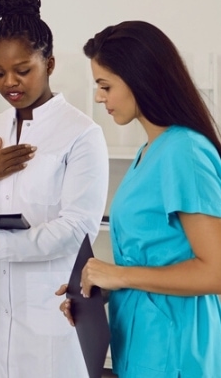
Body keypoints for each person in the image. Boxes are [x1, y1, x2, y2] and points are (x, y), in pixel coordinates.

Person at [0, 0, 109, 377]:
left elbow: (77, 227)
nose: (9, 83)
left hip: (51, 304)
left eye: (22, 70)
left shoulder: (81, 134)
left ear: (48, 65)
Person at [58, 20, 221, 378]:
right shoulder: (149, 153)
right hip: (141, 343)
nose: (100, 97)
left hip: (175, 349)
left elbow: (216, 270)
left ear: (140, 79)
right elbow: (157, 259)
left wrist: (120, 275)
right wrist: (99, 289)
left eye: (105, 86)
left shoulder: (185, 153)